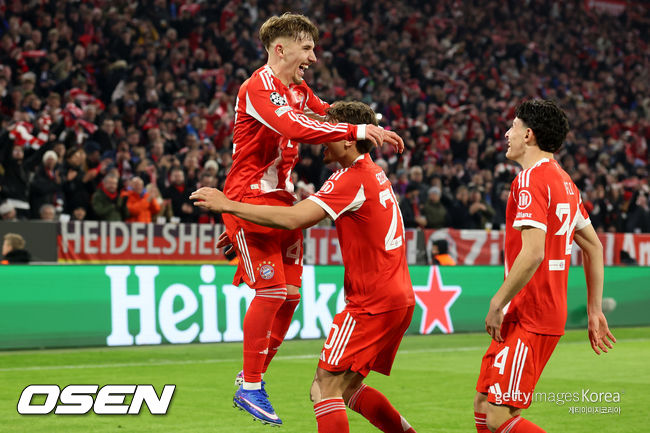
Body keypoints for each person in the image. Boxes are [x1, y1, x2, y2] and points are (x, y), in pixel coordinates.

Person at [214, 13, 403, 425]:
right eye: (307, 48)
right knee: (271, 293)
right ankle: (250, 386)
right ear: (281, 49)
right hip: (248, 194)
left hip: (281, 199)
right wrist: (356, 133)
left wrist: (371, 126)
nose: (314, 58)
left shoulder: (299, 90)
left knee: (290, 295)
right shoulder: (258, 87)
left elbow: (329, 116)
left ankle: (253, 376)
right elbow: (294, 126)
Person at [192, 101, 416, 433]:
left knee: (323, 389)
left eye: (330, 131)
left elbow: (294, 218)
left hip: (371, 304)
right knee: (348, 389)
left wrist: (230, 206)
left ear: (348, 139)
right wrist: (247, 228)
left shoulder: (350, 178)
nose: (321, 137)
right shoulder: (373, 173)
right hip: (398, 298)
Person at [473, 100, 616, 433]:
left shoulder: (530, 180)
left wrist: (497, 301)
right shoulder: (565, 182)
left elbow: (534, 252)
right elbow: (593, 246)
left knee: (498, 416)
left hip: (531, 312)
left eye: (513, 126)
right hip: (534, 312)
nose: (507, 134)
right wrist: (594, 309)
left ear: (528, 135)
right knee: (483, 402)